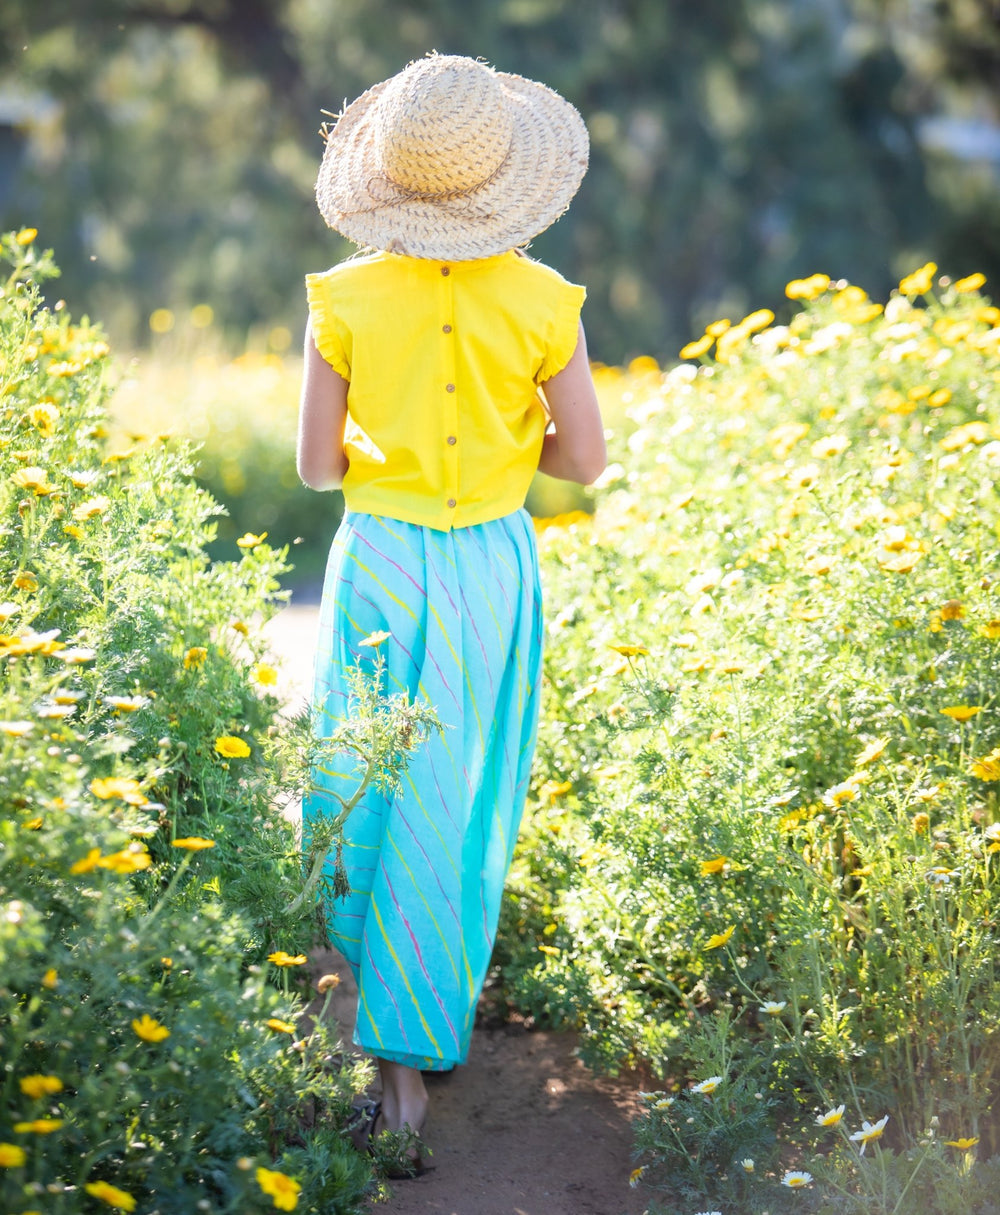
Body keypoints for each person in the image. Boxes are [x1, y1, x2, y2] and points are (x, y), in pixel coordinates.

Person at [297, 51, 606, 1172]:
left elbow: (317, 470)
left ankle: (380, 1054)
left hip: (381, 555)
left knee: (365, 781)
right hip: (488, 565)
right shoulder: (544, 301)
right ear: (505, 177)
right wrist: (508, 450)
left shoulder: (341, 299)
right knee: (455, 793)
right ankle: (418, 1032)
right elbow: (586, 460)